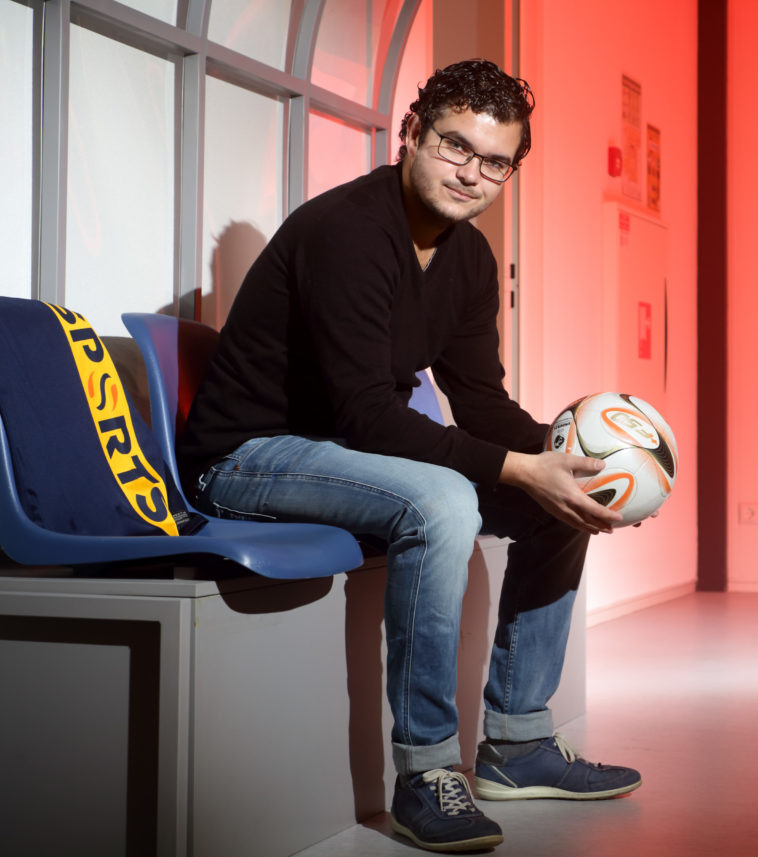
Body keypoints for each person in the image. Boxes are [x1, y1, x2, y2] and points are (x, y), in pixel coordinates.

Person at [178, 59, 641, 852]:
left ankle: (519, 741)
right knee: (444, 500)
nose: (472, 174)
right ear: (411, 136)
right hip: (250, 456)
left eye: (495, 161)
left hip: (343, 451)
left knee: (553, 500)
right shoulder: (348, 232)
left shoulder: (468, 258)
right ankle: (427, 771)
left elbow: (482, 402)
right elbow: (366, 413)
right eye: (455, 147)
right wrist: (516, 466)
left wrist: (570, 456)